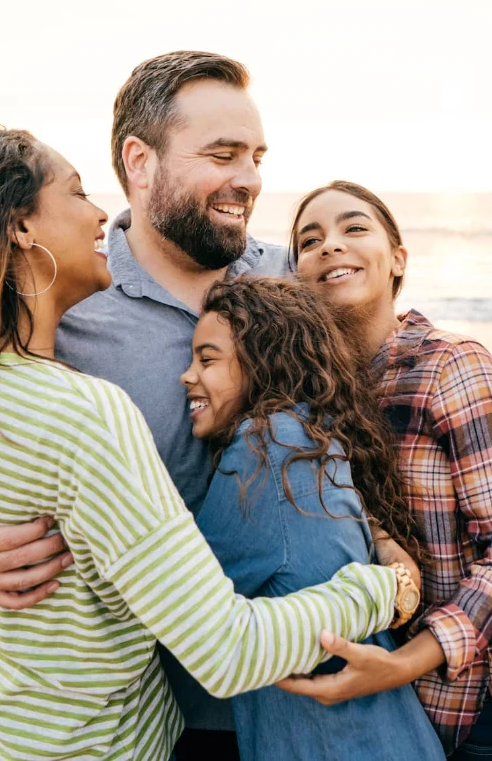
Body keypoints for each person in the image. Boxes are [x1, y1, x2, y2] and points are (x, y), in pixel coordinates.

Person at [0, 131, 409, 759]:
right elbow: (228, 650)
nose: (99, 213)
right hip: (85, 739)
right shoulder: (84, 408)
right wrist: (385, 590)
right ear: (20, 227)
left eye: (256, 158)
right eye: (77, 193)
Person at [279, 182, 492, 761]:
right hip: (406, 704)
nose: (330, 246)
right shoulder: (316, 396)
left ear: (397, 260)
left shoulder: (452, 365)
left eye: (354, 228)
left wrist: (401, 663)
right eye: (309, 241)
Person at [182, 277, 444, 761]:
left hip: (332, 743)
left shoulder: (264, 446)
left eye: (207, 359)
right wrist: (396, 576)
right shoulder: (312, 436)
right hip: (386, 734)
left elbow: (183, 605)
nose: (186, 375)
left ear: (262, 362)